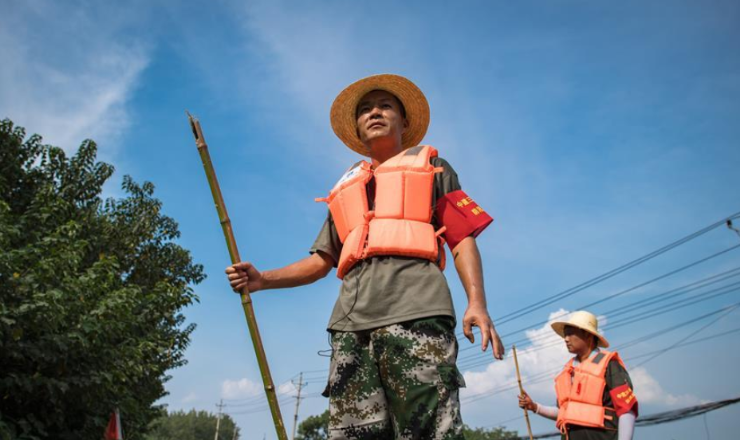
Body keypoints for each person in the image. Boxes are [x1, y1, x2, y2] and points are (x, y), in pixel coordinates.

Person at [226, 74, 503, 439]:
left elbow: (462, 238)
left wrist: (477, 304)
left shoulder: (433, 167)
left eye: (385, 105)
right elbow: (321, 261)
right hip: (350, 329)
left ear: (404, 122)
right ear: (357, 127)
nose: (375, 112)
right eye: (365, 109)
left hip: (418, 316)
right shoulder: (345, 188)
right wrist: (263, 280)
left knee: (429, 431)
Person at [518, 311, 638, 440]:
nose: (566, 339)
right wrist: (535, 407)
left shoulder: (609, 365)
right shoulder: (567, 372)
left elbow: (626, 409)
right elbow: (565, 412)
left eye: (570, 333)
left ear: (588, 335)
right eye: (565, 335)